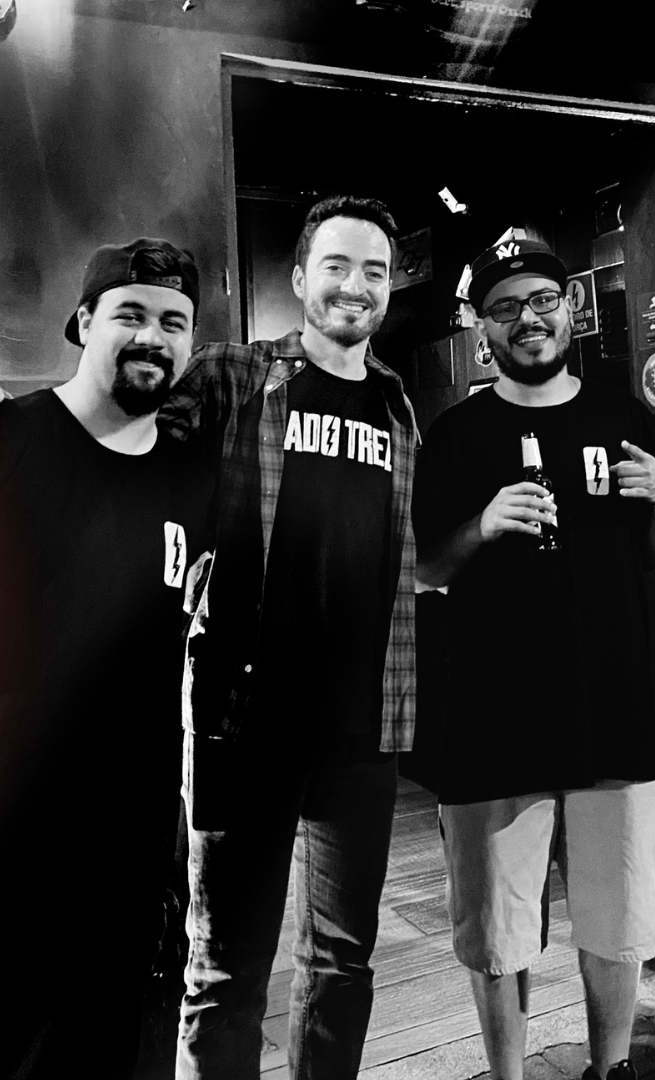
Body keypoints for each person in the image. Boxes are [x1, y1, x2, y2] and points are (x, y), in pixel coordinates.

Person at [411, 237, 655, 1080]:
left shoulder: (622, 417)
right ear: (481, 329)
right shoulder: (454, 435)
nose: (526, 319)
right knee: (495, 929)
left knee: (621, 916)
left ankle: (613, 1068)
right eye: (505, 307)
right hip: (491, 713)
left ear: (570, 308)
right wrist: (481, 527)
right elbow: (424, 568)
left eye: (541, 300)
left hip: (615, 707)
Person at [160, 195, 418, 1080]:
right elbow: (136, 457)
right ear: (301, 277)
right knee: (225, 975)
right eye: (337, 265)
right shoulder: (234, 374)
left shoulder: (397, 407)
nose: (355, 285)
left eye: (375, 271)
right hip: (242, 725)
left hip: (360, 734)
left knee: (342, 968)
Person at [0, 237, 209, 1078]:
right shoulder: (12, 438)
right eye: (130, 314)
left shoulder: (192, 478)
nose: (152, 336)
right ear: (84, 321)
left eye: (173, 322)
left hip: (135, 849)